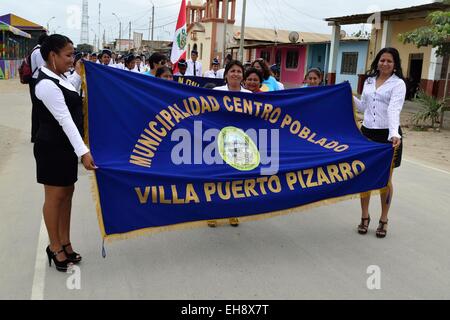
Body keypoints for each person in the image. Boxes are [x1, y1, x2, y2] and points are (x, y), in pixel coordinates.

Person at [34, 34, 97, 272]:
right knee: (55, 198)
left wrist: (80, 73)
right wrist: (84, 152)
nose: (73, 59)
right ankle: (54, 246)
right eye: (69, 55)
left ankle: (65, 241)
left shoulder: (60, 78)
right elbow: (65, 119)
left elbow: (73, 92)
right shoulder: (45, 84)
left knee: (67, 194)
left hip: (65, 147)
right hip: (51, 148)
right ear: (53, 56)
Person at [353, 47, 406, 238]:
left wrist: (394, 134)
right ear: (377, 61)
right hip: (367, 134)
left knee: (385, 180)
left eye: (389, 61)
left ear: (395, 65)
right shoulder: (368, 81)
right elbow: (364, 107)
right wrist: (347, 95)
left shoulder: (398, 84)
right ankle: (364, 216)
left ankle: (384, 219)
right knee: (365, 177)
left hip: (387, 136)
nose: (385, 64)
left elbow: (394, 109)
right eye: (382, 60)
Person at [211, 60, 251, 228]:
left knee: (235, 179)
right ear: (226, 74)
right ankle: (212, 212)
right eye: (232, 71)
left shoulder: (249, 94)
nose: (236, 74)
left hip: (240, 142)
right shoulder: (216, 92)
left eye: (239, 71)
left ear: (243, 76)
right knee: (216, 178)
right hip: (218, 140)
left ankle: (233, 212)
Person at [30, 33, 48, 143]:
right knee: (39, 108)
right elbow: (43, 68)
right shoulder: (39, 52)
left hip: (34, 80)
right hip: (37, 80)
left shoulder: (34, 50)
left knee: (36, 108)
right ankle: (36, 135)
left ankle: (34, 134)